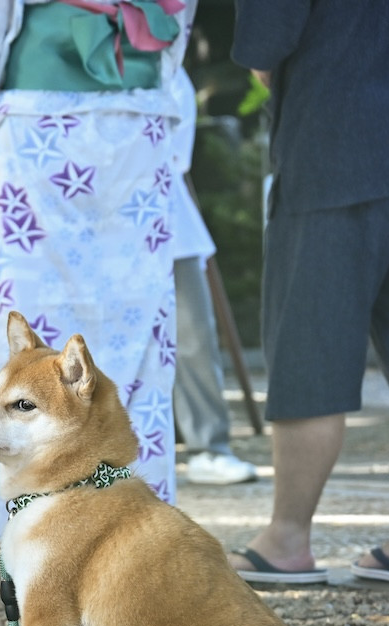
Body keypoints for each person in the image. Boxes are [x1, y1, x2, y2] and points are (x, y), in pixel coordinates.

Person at [0, 0, 197, 540]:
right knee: (137, 316)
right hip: (140, 109)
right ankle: (135, 514)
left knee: (27, 311)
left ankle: (29, 516)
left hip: (38, 114)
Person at [228, 0, 389, 583]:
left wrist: (258, 55)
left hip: (336, 141)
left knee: (310, 351)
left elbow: (267, 36)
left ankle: (288, 538)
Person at [168, 68, 257, 486]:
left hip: (163, 212)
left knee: (194, 335)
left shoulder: (162, 61)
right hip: (77, 214)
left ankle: (209, 447)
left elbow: (175, 150)